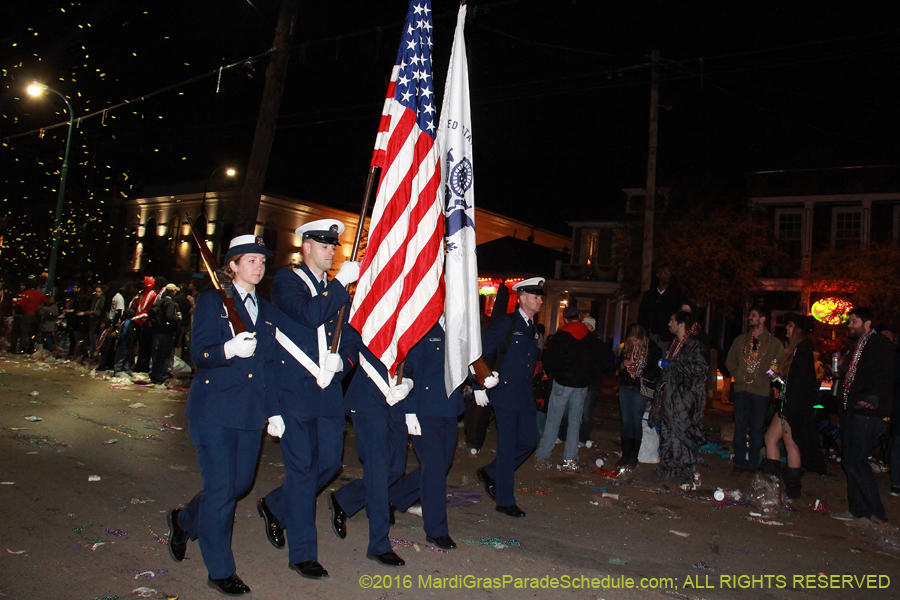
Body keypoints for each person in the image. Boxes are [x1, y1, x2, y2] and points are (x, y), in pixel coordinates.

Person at [166, 234, 282, 596]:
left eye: (262, 262)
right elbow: (198, 354)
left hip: (249, 413)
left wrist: (274, 412)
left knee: (240, 484)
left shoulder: (267, 309)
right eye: (250, 261)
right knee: (220, 489)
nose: (258, 267)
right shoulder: (212, 301)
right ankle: (220, 570)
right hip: (213, 409)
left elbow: (269, 367)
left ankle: (185, 520)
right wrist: (227, 349)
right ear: (232, 266)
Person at [257, 219, 360, 580]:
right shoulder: (287, 282)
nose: (332, 250)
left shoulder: (336, 289)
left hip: (328, 393)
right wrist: (339, 285)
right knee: (302, 473)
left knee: (330, 465)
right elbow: (308, 313)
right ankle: (303, 553)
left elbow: (349, 338)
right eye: (324, 244)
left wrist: (342, 363)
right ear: (306, 247)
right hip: (295, 393)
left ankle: (275, 505)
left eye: (334, 245)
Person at [329, 330, 413, 567]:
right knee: (379, 473)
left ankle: (344, 500)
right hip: (367, 398)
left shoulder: (405, 312)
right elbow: (349, 346)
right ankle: (378, 544)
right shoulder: (369, 310)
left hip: (395, 398)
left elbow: (412, 352)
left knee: (395, 469)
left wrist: (409, 381)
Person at [389, 319, 465, 550]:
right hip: (424, 409)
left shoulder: (459, 327)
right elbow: (408, 369)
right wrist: (409, 410)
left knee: (441, 465)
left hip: (449, 408)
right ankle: (436, 529)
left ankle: (393, 497)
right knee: (434, 469)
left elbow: (463, 364)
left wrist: (481, 381)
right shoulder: (421, 323)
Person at [473, 277, 543, 518]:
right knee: (507, 446)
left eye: (540, 296)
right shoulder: (507, 323)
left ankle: (491, 472)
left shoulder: (533, 328)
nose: (540, 300)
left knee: (529, 442)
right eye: (535, 296)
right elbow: (480, 352)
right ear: (522, 298)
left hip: (524, 394)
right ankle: (505, 500)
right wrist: (480, 383)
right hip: (504, 393)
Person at [830, 307, 894, 523]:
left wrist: (875, 397)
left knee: (856, 460)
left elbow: (887, 374)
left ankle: (876, 511)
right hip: (854, 409)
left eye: (854, 321)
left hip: (869, 412)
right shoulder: (858, 346)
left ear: (867, 324)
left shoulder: (879, 344)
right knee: (850, 460)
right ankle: (858, 509)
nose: (850, 325)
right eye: (849, 320)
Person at [761, 312, 825, 499]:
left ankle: (782, 486)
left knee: (784, 442)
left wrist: (788, 408)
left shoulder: (802, 351)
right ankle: (784, 486)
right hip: (790, 405)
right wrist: (777, 382)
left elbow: (802, 384)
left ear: (797, 329)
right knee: (781, 441)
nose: (786, 329)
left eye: (790, 326)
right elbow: (792, 382)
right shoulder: (796, 350)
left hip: (792, 408)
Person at [535, 305, 602, 471]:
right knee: (574, 421)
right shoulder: (589, 337)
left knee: (553, 419)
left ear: (565, 319)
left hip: (563, 382)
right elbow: (596, 362)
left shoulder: (561, 336)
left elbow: (549, 358)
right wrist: (587, 378)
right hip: (581, 384)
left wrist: (554, 375)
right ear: (578, 317)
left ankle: (543, 454)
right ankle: (570, 457)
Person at [649, 309, 708, 489]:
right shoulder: (675, 343)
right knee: (668, 432)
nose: (669, 324)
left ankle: (686, 471)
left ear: (681, 323)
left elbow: (699, 370)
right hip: (670, 397)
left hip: (684, 398)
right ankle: (668, 467)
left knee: (683, 433)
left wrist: (672, 365)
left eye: (672, 320)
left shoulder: (693, 345)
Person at [725, 306, 783, 470]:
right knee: (740, 426)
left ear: (763, 319)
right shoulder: (741, 340)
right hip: (741, 390)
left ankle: (753, 461)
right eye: (750, 315)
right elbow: (730, 360)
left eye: (754, 315)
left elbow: (776, 364)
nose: (750, 317)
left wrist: (764, 376)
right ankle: (739, 460)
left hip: (760, 391)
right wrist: (738, 373)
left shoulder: (774, 344)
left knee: (757, 428)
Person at [616, 323, 662, 467]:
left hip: (640, 387)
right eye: (631, 340)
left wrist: (642, 373)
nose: (633, 343)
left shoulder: (652, 348)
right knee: (626, 421)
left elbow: (657, 369)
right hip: (626, 385)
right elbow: (618, 365)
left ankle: (634, 456)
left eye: (636, 341)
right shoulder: (625, 348)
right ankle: (625, 453)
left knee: (636, 421)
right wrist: (624, 364)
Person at [638, 264, 685, 355]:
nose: (667, 274)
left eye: (669, 272)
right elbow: (642, 314)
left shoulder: (676, 295)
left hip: (666, 338)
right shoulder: (650, 295)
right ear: (658, 275)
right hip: (650, 336)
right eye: (664, 272)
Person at [149, 283, 180, 384]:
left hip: (157, 332)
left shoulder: (160, 301)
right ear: (172, 291)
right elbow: (169, 317)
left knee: (156, 355)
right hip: (167, 333)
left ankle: (154, 376)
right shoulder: (170, 303)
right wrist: (178, 318)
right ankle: (161, 377)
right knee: (164, 356)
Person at [12, 279, 51, 354]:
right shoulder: (40, 294)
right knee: (33, 333)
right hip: (36, 316)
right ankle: (30, 348)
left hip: (27, 315)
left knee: (24, 333)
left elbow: (21, 304)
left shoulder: (26, 293)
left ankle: (22, 348)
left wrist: (14, 301)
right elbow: (47, 302)